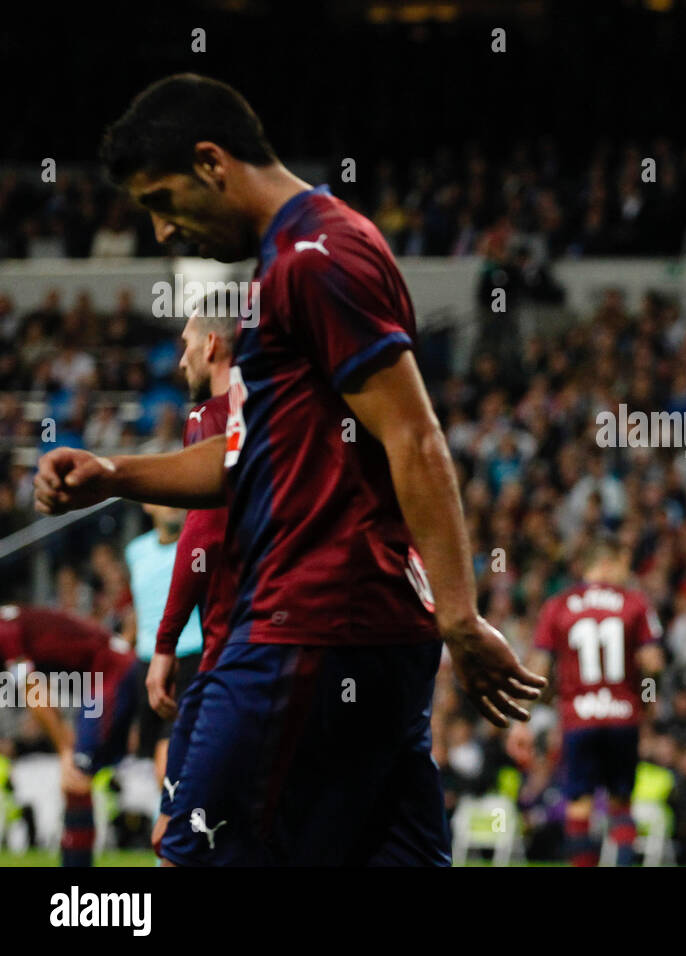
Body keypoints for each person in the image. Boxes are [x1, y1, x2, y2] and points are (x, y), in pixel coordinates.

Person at [34, 73, 544, 866]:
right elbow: (248, 462)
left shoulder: (314, 257)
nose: (165, 231)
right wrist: (112, 474)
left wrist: (460, 614)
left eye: (163, 201)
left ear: (213, 162)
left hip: (308, 623)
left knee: (198, 855)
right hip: (357, 626)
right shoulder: (296, 260)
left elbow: (416, 438)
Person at [146, 306, 236, 851]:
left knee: (177, 835)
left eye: (185, 345)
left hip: (236, 653)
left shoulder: (213, 416)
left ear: (211, 345)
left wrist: (163, 645)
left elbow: (202, 536)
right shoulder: (287, 411)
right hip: (285, 643)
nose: (180, 360)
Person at [516, 535, 664, 865]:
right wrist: (648, 701)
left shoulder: (557, 605)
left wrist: (523, 716)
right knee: (621, 802)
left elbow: (538, 666)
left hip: (578, 718)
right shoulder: (635, 602)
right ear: (607, 563)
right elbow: (653, 663)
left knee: (579, 804)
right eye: (624, 565)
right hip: (623, 717)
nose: (627, 573)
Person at [0, 604, 137, 866]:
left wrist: (64, 747)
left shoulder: (5, 632)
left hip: (111, 672)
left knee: (75, 775)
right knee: (76, 778)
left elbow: (32, 689)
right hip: (106, 673)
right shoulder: (10, 621)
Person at [122, 503, 203, 789]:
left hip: (190, 660)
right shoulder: (135, 552)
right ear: (147, 505)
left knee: (168, 761)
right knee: (155, 765)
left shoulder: (198, 546)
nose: (171, 506)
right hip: (147, 664)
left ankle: (176, 829)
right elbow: (138, 606)